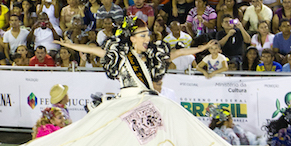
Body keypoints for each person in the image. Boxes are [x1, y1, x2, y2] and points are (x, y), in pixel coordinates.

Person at [61, 18, 209, 92]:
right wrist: (70, 45)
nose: (147, 39)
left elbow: (180, 52)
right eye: (143, 35)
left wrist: (202, 48)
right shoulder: (121, 56)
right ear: (132, 38)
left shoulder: (154, 56)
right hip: (127, 99)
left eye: (147, 35)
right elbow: (93, 50)